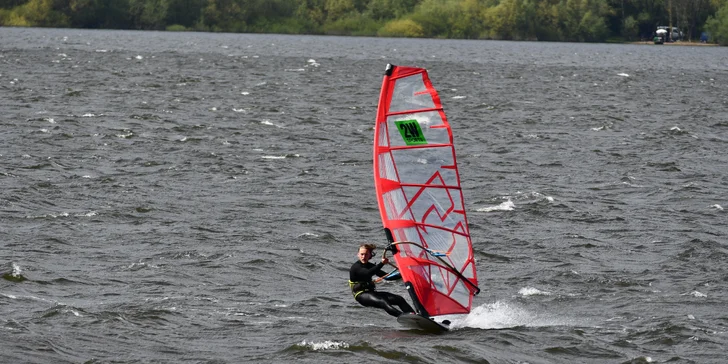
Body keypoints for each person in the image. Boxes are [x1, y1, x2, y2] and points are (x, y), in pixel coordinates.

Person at [348, 243, 415, 317]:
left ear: (370, 255)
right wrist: (381, 264)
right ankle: (404, 317)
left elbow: (387, 277)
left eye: (366, 254)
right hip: (361, 295)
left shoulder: (370, 266)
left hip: (372, 293)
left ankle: (415, 316)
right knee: (383, 301)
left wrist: (404, 274)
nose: (363, 257)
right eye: (362, 254)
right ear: (358, 254)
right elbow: (367, 273)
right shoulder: (356, 267)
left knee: (399, 299)